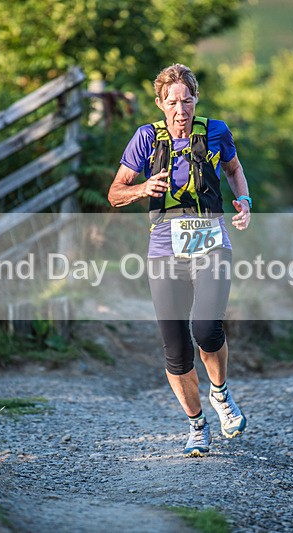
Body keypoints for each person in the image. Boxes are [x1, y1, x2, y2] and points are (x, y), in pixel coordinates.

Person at [107, 63, 252, 457]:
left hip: (211, 240)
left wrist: (245, 200)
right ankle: (197, 426)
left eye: (187, 100)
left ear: (196, 99)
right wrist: (140, 189)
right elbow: (114, 193)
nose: (181, 109)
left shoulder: (216, 132)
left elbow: (235, 171)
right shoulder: (145, 139)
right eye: (172, 102)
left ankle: (220, 395)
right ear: (160, 103)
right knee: (176, 348)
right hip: (164, 248)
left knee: (206, 329)